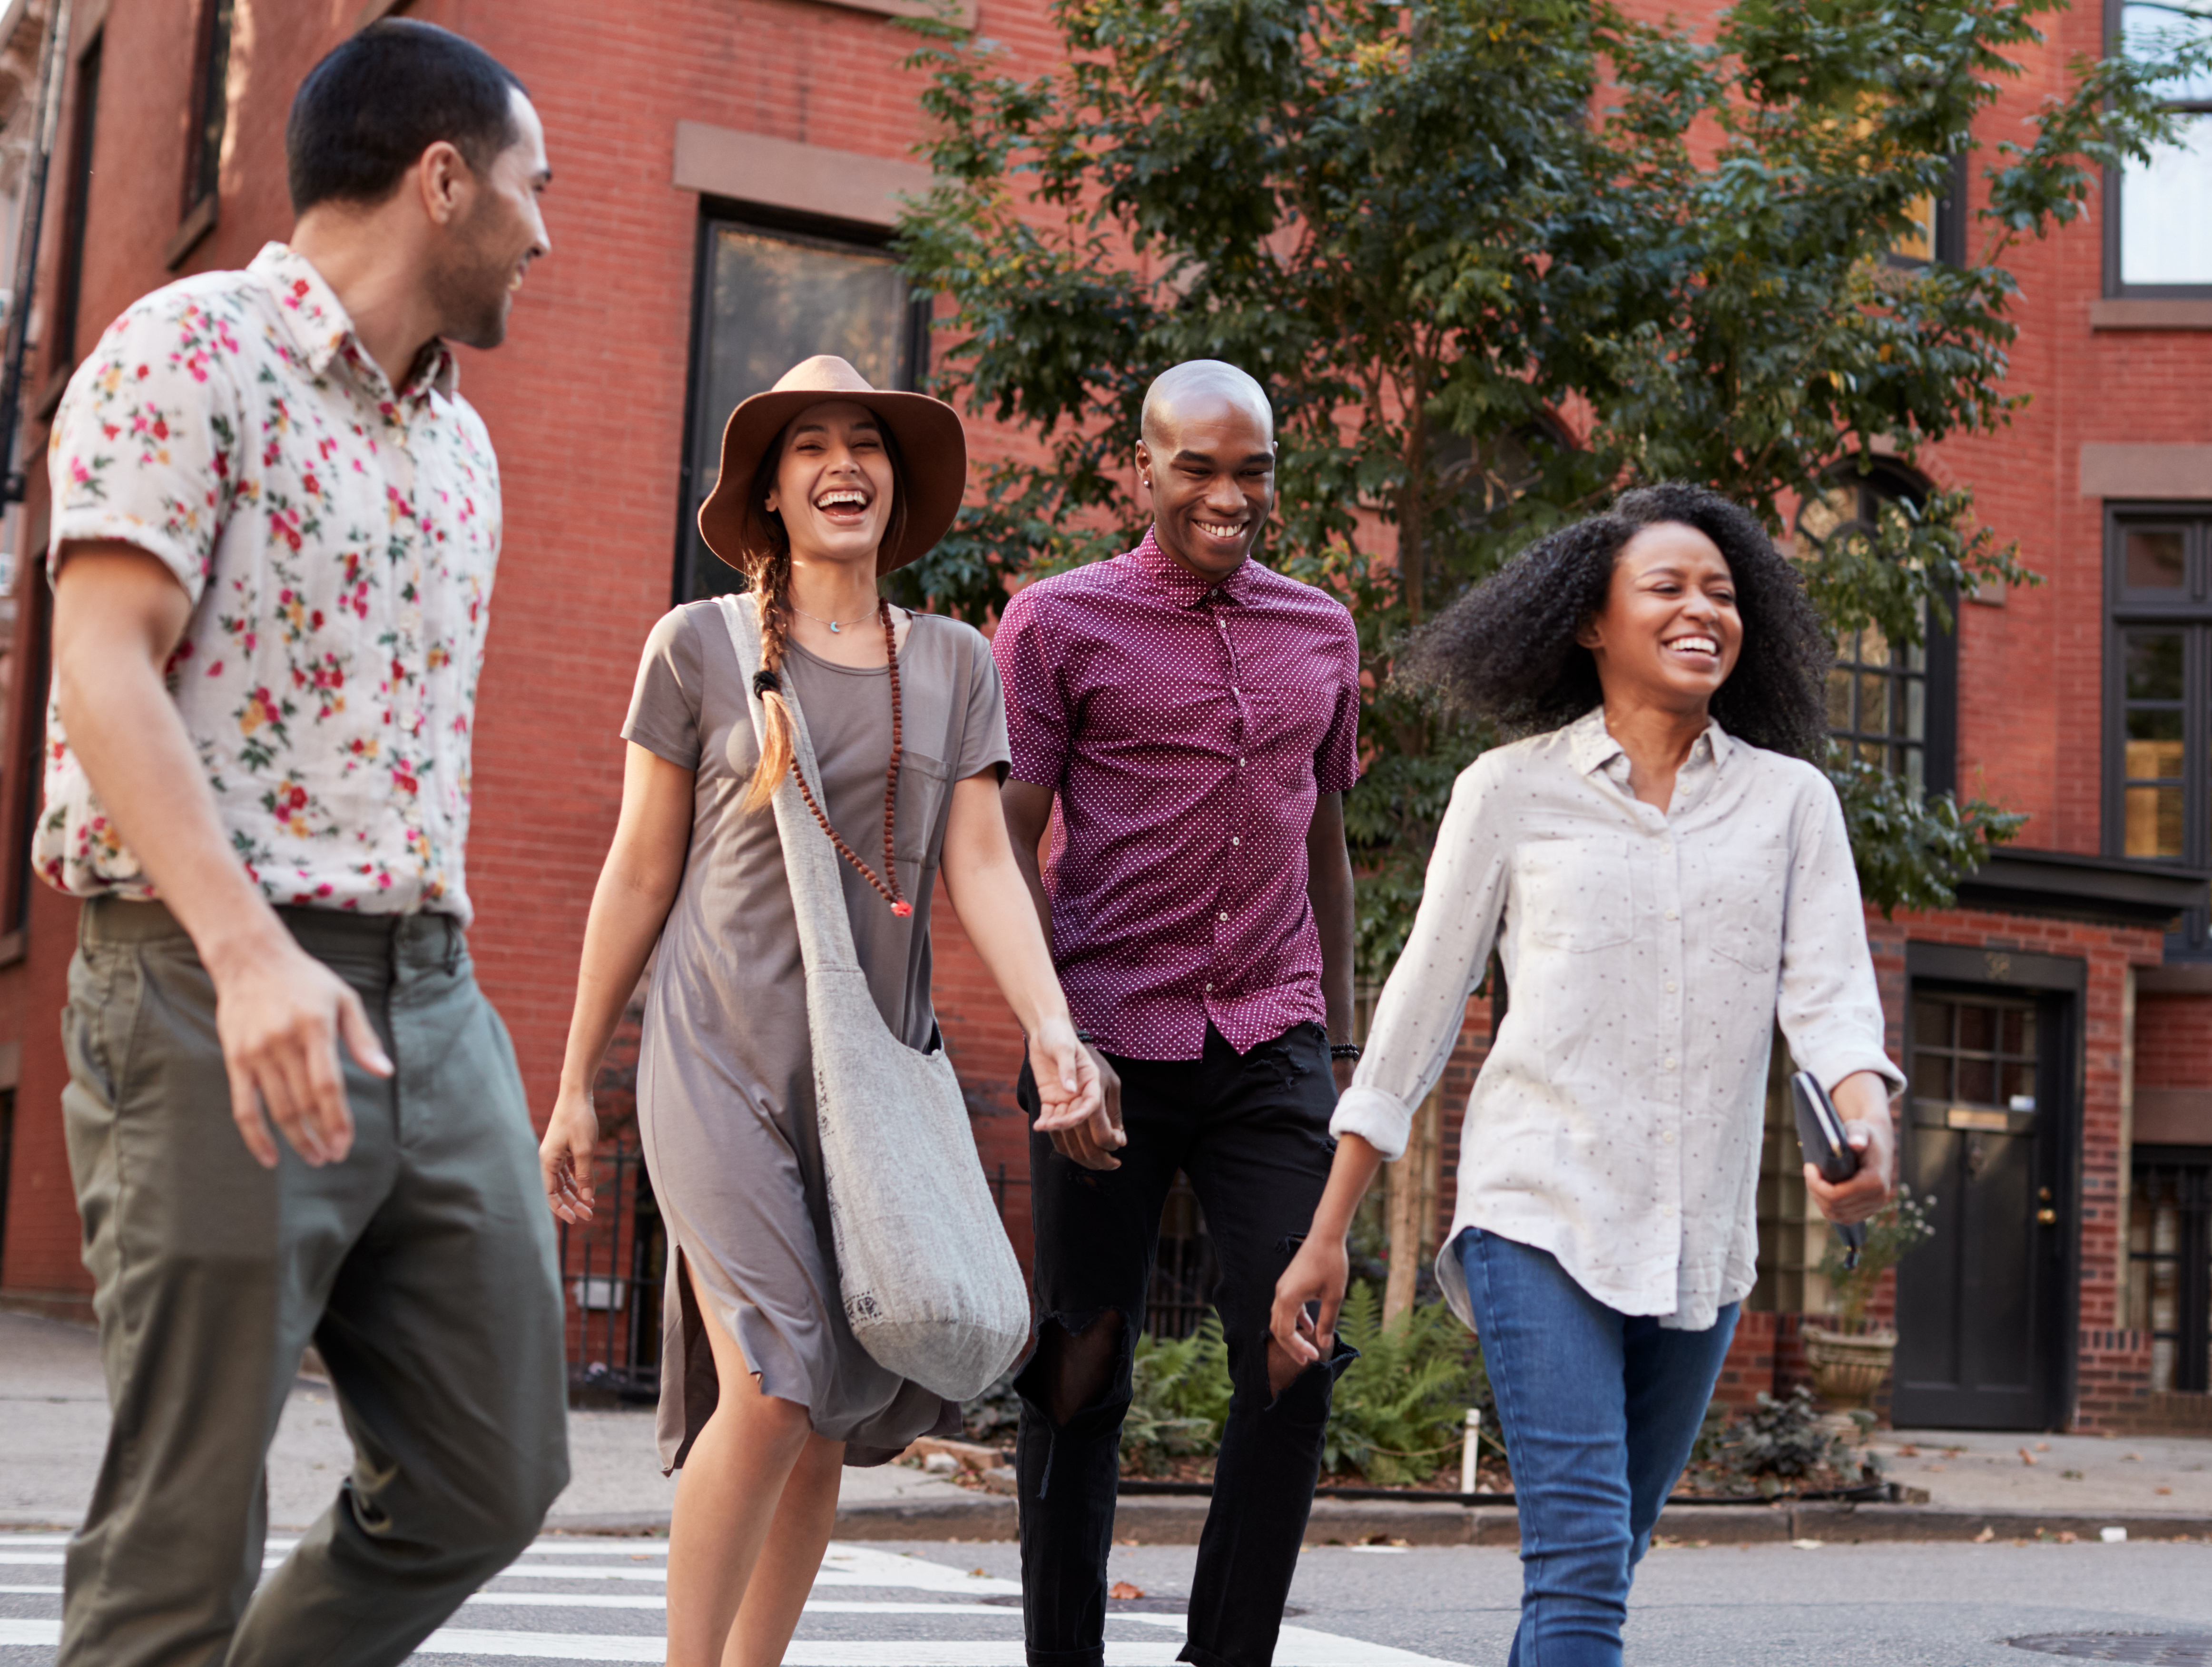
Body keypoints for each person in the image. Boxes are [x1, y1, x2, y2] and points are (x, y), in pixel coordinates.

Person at [41, 22, 560, 1667]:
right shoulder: (185, 352)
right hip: (209, 983)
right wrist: (249, 950)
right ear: (443, 179)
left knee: (493, 1469)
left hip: (428, 991)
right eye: (531, 187)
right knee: (177, 1538)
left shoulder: (459, 443)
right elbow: (101, 658)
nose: (545, 231)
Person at [1269, 482, 1906, 1667]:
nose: (1699, 611)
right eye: (1665, 588)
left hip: (1700, 1249)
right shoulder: (1509, 792)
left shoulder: (1789, 805)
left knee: (1602, 1560)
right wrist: (1329, 1228)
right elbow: (1414, 1011)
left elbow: (1831, 1003)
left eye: (1722, 593)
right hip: (1536, 1214)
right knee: (1579, 1575)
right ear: (1589, 622)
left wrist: (1864, 1125)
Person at [537, 354, 1103, 1667]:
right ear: (770, 495)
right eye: (809, 448)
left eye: (867, 444)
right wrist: (574, 1079)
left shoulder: (957, 661)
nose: (842, 464)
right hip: (714, 1051)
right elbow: (637, 868)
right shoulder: (699, 647)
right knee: (780, 1373)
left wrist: (1052, 1025)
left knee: (826, 1408)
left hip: (866, 1072)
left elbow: (979, 862)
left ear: (896, 489)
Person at [992, 360, 1362, 1667]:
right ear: (1140, 471)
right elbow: (1006, 844)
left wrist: (1347, 1050)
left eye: (1250, 468)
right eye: (1196, 467)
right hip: (1102, 1041)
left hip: (1271, 1036)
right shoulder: (1053, 625)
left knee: (1292, 1346)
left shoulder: (1322, 629)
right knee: (1081, 1362)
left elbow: (1325, 843)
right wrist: (1054, 1046)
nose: (1226, 493)